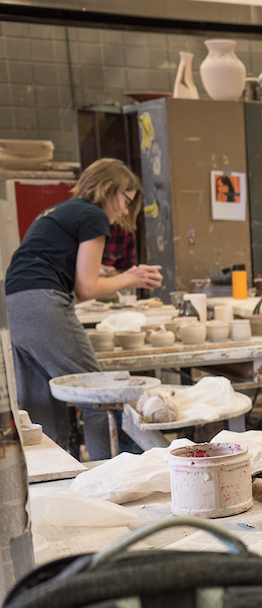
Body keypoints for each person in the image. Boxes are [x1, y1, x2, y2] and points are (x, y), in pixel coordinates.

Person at [4, 158, 162, 459]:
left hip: (11, 306)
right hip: (40, 302)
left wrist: (107, 277)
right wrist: (129, 276)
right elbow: (86, 289)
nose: (125, 211)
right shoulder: (93, 215)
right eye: (126, 201)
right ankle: (107, 478)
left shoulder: (56, 211)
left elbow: (64, 275)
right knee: (97, 398)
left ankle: (53, 484)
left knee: (39, 403)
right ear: (107, 189)